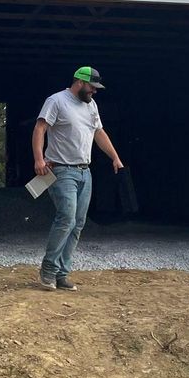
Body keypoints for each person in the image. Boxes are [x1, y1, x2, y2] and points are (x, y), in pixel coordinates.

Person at [32, 66, 123, 291]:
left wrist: (114, 156)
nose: (95, 91)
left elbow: (99, 133)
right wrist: (38, 160)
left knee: (78, 223)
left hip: (85, 171)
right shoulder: (56, 101)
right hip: (62, 170)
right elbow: (40, 128)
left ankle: (62, 274)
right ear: (79, 82)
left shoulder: (91, 105)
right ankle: (48, 271)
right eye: (92, 87)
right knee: (67, 218)